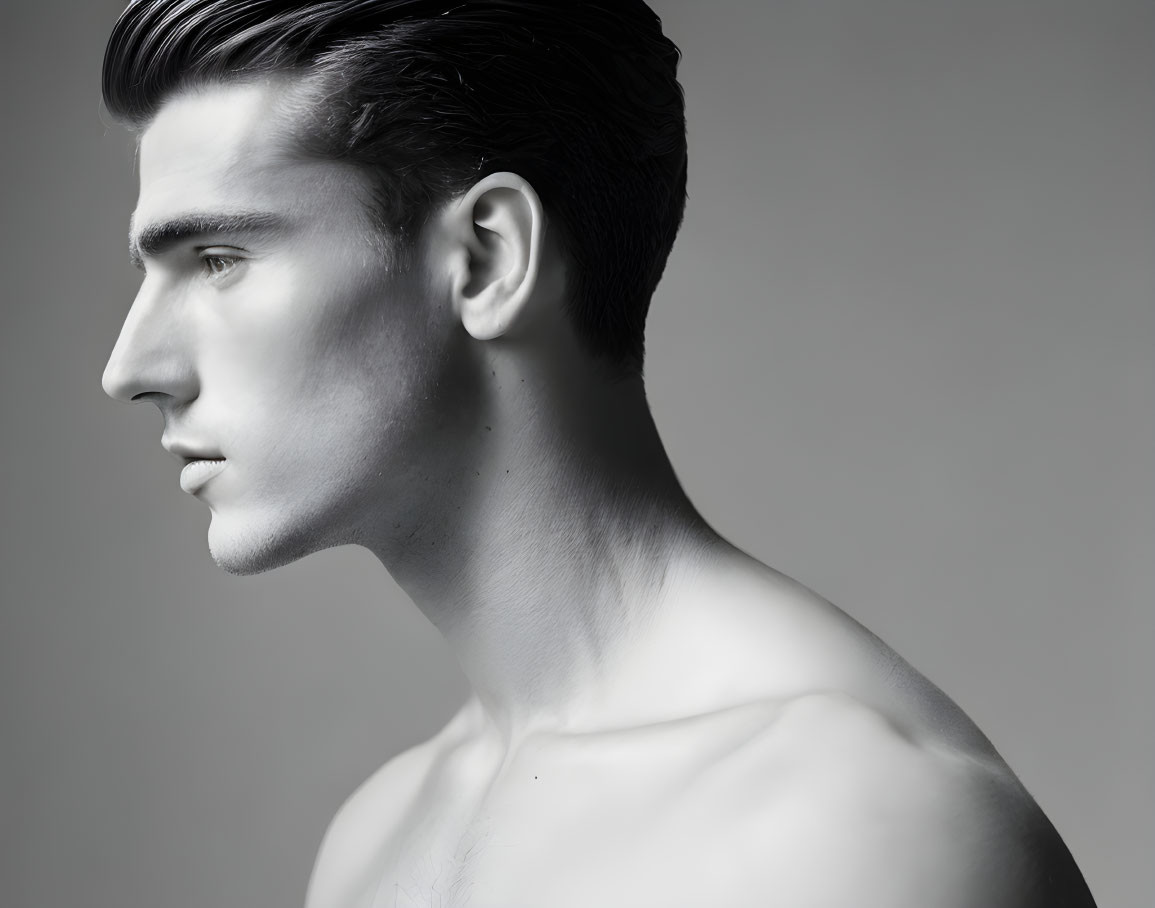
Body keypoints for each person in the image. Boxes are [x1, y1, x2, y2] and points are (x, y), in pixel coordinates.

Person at [100, 2, 1096, 905]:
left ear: (487, 256)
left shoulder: (856, 835)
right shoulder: (373, 839)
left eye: (219, 260)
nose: (128, 364)